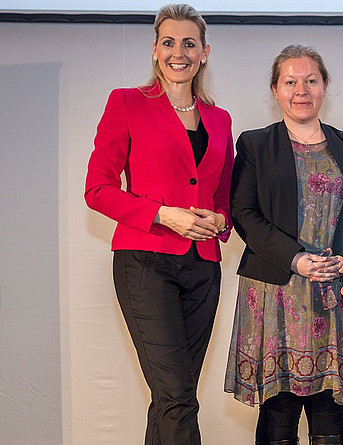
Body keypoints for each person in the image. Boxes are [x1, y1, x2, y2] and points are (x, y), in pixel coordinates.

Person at [84, 4, 233, 444]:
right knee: (177, 397)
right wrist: (163, 214)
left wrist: (219, 220)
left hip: (203, 268)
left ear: (204, 52)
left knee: (172, 396)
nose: (178, 52)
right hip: (145, 263)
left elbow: (224, 201)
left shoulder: (220, 119)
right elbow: (97, 189)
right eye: (168, 42)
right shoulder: (127, 102)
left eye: (189, 43)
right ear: (154, 50)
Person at [224, 44, 343, 445]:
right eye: (290, 81)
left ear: (325, 87)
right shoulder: (254, 145)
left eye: (310, 80)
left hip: (334, 292)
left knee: (328, 404)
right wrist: (296, 259)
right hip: (275, 290)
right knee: (279, 405)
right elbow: (244, 213)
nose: (301, 90)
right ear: (275, 90)